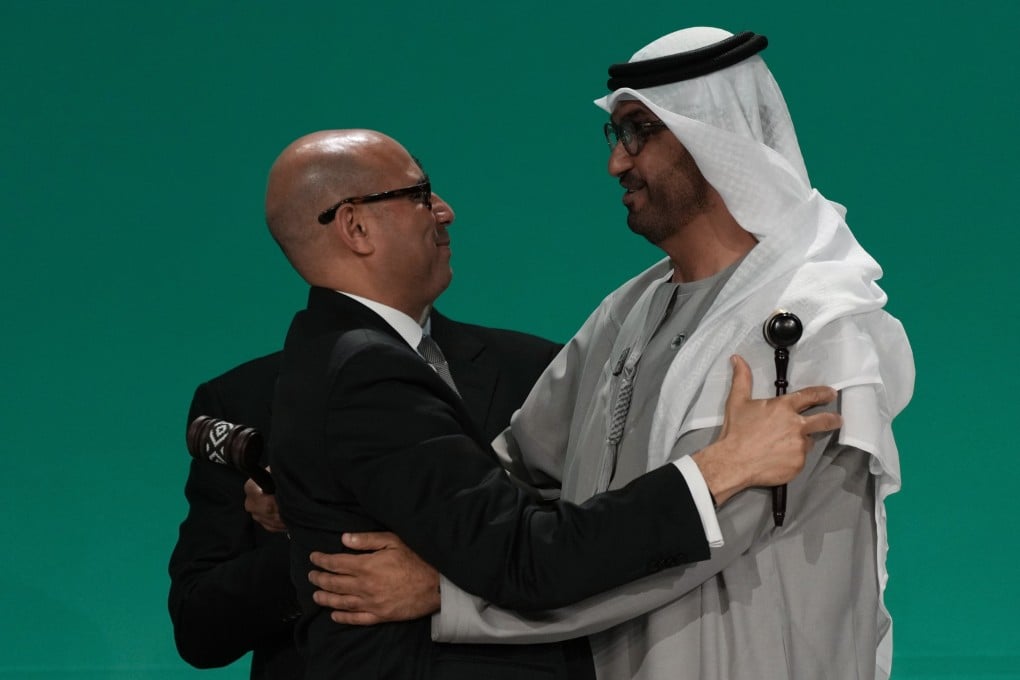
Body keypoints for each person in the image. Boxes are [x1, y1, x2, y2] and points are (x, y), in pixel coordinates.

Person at [312, 28, 914, 680]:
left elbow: (686, 552)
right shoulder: (628, 312)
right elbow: (518, 466)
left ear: (716, 138)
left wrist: (451, 594)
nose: (617, 164)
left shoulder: (813, 328)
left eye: (639, 132)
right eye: (614, 135)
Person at [263, 127, 839, 679]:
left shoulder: (334, 354)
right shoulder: (369, 374)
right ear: (355, 227)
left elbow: (501, 495)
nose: (444, 210)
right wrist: (723, 466)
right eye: (418, 195)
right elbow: (528, 560)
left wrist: (443, 581)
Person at [167, 298, 566, 678]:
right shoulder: (243, 398)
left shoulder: (534, 372)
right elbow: (198, 628)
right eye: (422, 216)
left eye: (441, 215)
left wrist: (449, 584)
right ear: (353, 228)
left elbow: (580, 549)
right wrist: (315, 539)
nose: (445, 220)